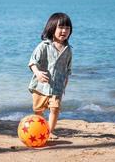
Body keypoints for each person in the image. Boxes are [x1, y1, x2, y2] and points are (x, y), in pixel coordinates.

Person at [28, 12, 73, 140]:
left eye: (67, 28)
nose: (64, 31)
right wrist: (37, 72)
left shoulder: (68, 50)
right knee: (38, 110)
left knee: (55, 108)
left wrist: (65, 83)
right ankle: (39, 129)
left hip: (57, 87)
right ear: (52, 28)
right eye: (61, 27)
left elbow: (68, 69)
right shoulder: (44, 46)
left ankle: (49, 131)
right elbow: (32, 62)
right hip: (40, 86)